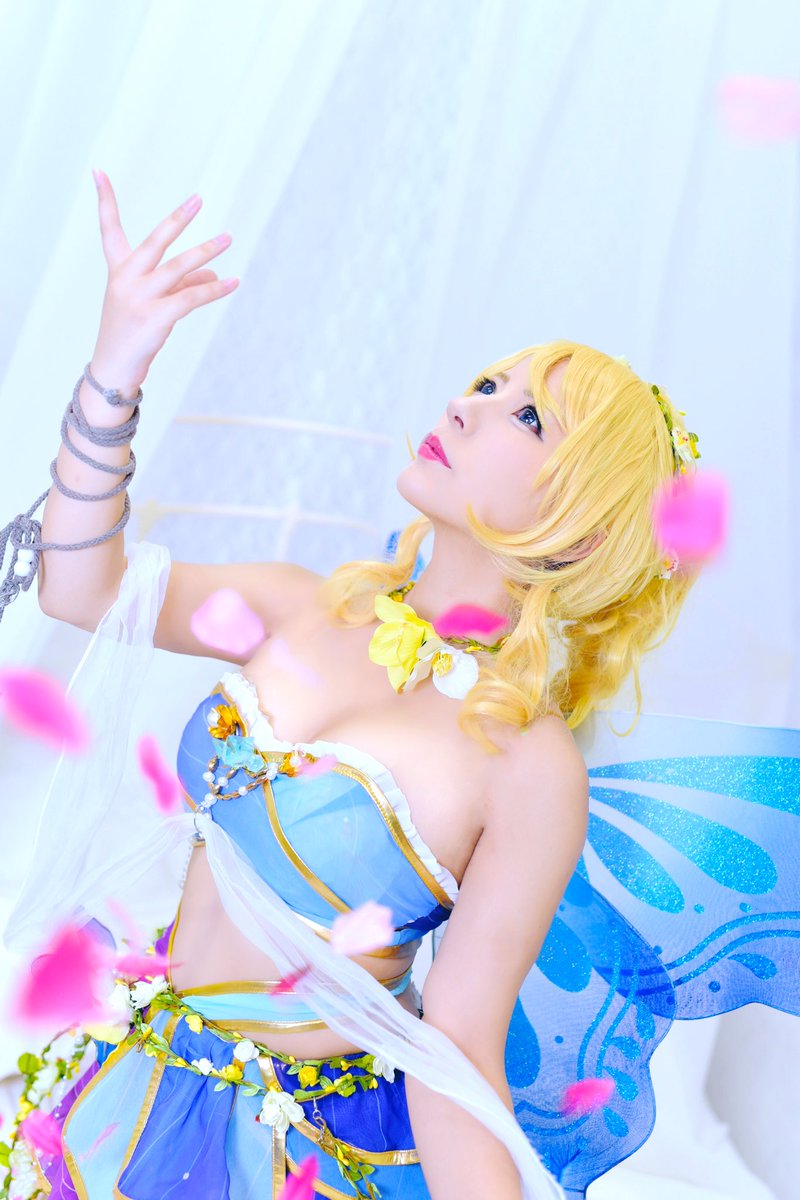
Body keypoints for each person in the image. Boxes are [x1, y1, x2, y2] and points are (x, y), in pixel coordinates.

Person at [0, 175, 798, 1200]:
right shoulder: (296, 604)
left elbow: (457, 1047)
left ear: (583, 528)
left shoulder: (529, 768)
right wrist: (119, 364)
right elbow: (80, 588)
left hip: (306, 1151)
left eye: (526, 416)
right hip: (144, 1082)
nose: (466, 405)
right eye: (484, 382)